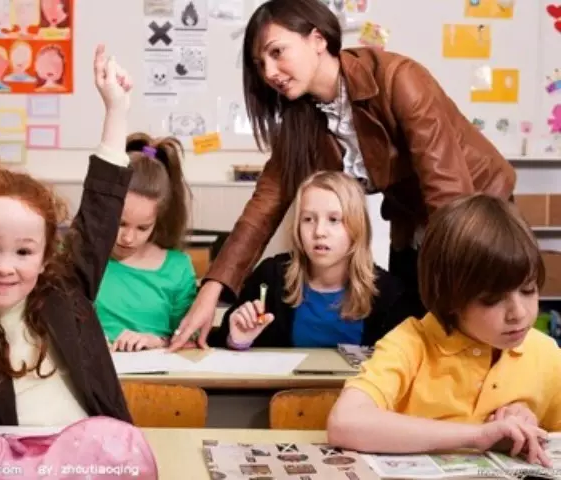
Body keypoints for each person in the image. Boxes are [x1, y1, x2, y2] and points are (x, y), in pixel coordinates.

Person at [169, 0, 516, 351]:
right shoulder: (304, 119)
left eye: (277, 52)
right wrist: (210, 292)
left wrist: (457, 286)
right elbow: (264, 207)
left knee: (477, 328)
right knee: (423, 338)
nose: (269, 72)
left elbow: (448, 194)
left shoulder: (399, 79)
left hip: (477, 212)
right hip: (412, 221)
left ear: (318, 40)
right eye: (260, 64)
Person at [0, 44, 134, 434]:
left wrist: (116, 109)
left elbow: (100, 211)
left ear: (45, 258)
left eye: (23, 251)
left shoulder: (68, 294)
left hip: (95, 458)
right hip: (12, 463)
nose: (5, 266)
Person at [326, 194, 561, 467]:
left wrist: (532, 426)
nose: (518, 313)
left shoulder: (545, 354)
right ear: (449, 299)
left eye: (529, 290)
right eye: (491, 300)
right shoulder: (410, 343)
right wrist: (478, 435)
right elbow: (345, 423)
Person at [208, 171, 414, 349]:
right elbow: (220, 344)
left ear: (358, 227)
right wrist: (238, 341)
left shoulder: (388, 292)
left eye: (334, 220)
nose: (319, 232)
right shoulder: (270, 278)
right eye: (308, 219)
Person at [94, 133, 197, 352]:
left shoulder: (177, 267)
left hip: (156, 371)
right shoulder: (81, 256)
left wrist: (157, 341)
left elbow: (191, 340)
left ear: (158, 220)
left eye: (143, 228)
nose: (128, 238)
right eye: (121, 223)